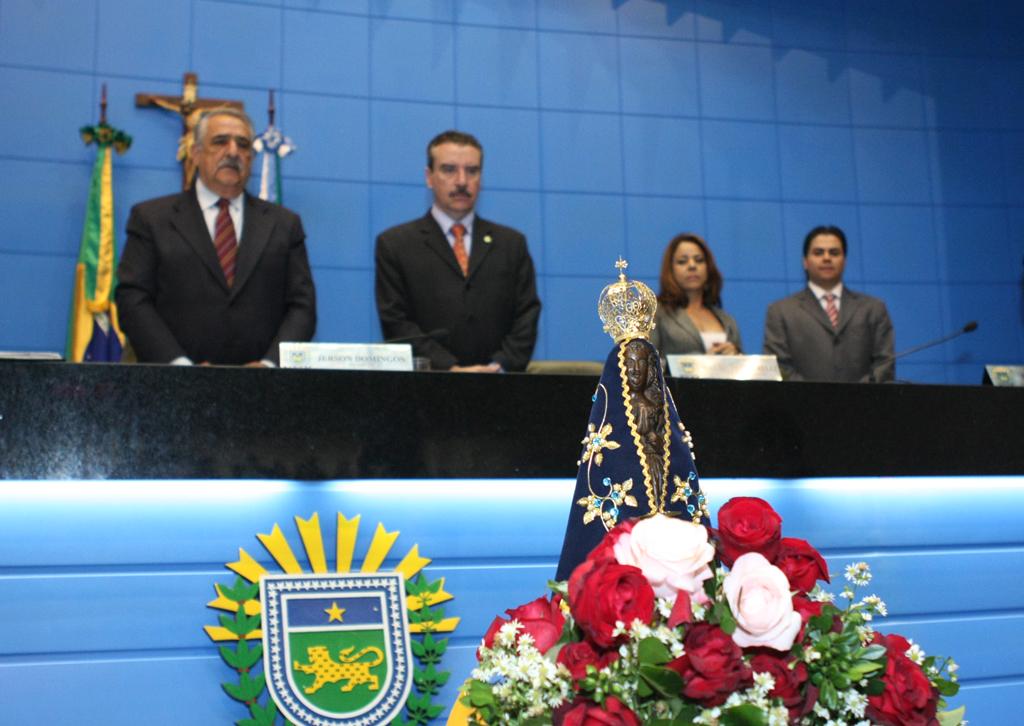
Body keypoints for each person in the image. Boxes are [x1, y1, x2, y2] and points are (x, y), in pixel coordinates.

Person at [116, 109, 316, 366]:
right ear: (196, 153)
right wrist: (179, 366)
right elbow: (133, 299)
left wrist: (270, 366)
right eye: (220, 141)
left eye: (243, 144)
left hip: (262, 392)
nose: (233, 152)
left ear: (251, 158)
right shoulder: (151, 219)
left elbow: (302, 307)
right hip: (172, 389)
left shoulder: (285, 224)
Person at [374, 130, 541, 372]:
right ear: (429, 177)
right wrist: (450, 370)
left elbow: (526, 316)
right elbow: (396, 322)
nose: (462, 181)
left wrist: (498, 366)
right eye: (449, 169)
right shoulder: (395, 244)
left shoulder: (511, 244)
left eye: (472, 171)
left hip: (501, 389)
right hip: (426, 392)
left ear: (481, 178)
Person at [763, 225, 894, 382]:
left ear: (844, 260)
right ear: (805, 262)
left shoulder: (873, 308)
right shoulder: (781, 311)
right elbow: (779, 367)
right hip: (801, 404)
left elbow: (884, 364)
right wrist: (819, 399)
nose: (826, 258)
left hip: (864, 404)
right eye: (818, 252)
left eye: (834, 252)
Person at [650, 233, 742, 356]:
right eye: (682, 261)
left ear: (708, 267)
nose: (692, 266)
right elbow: (647, 364)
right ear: (670, 269)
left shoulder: (727, 320)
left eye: (699, 260)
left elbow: (744, 370)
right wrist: (699, 365)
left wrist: (737, 356)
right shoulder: (656, 313)